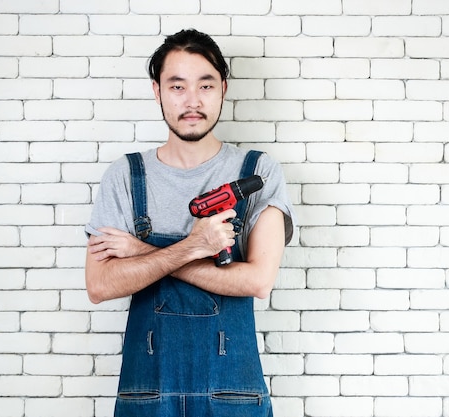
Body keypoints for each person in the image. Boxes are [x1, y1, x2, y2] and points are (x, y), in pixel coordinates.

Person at [84, 29, 295, 417]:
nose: (192, 101)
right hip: (147, 397)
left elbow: (257, 281)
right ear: (157, 90)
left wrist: (141, 252)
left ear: (223, 90)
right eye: (177, 86)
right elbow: (99, 285)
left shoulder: (258, 171)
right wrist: (193, 246)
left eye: (205, 85)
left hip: (234, 397)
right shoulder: (126, 177)